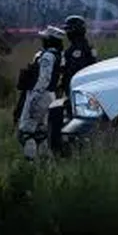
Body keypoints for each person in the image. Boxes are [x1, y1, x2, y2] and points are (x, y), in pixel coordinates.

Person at [47, 15, 99, 156]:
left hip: (79, 93)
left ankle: (74, 151)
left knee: (78, 124)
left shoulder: (77, 51)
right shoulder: (88, 48)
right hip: (84, 93)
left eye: (69, 30)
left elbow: (73, 73)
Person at [15, 25, 64, 160]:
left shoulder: (47, 56)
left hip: (40, 95)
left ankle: (30, 163)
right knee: (40, 132)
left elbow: (44, 79)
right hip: (50, 96)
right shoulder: (59, 56)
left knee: (26, 132)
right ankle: (45, 162)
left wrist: (33, 99)